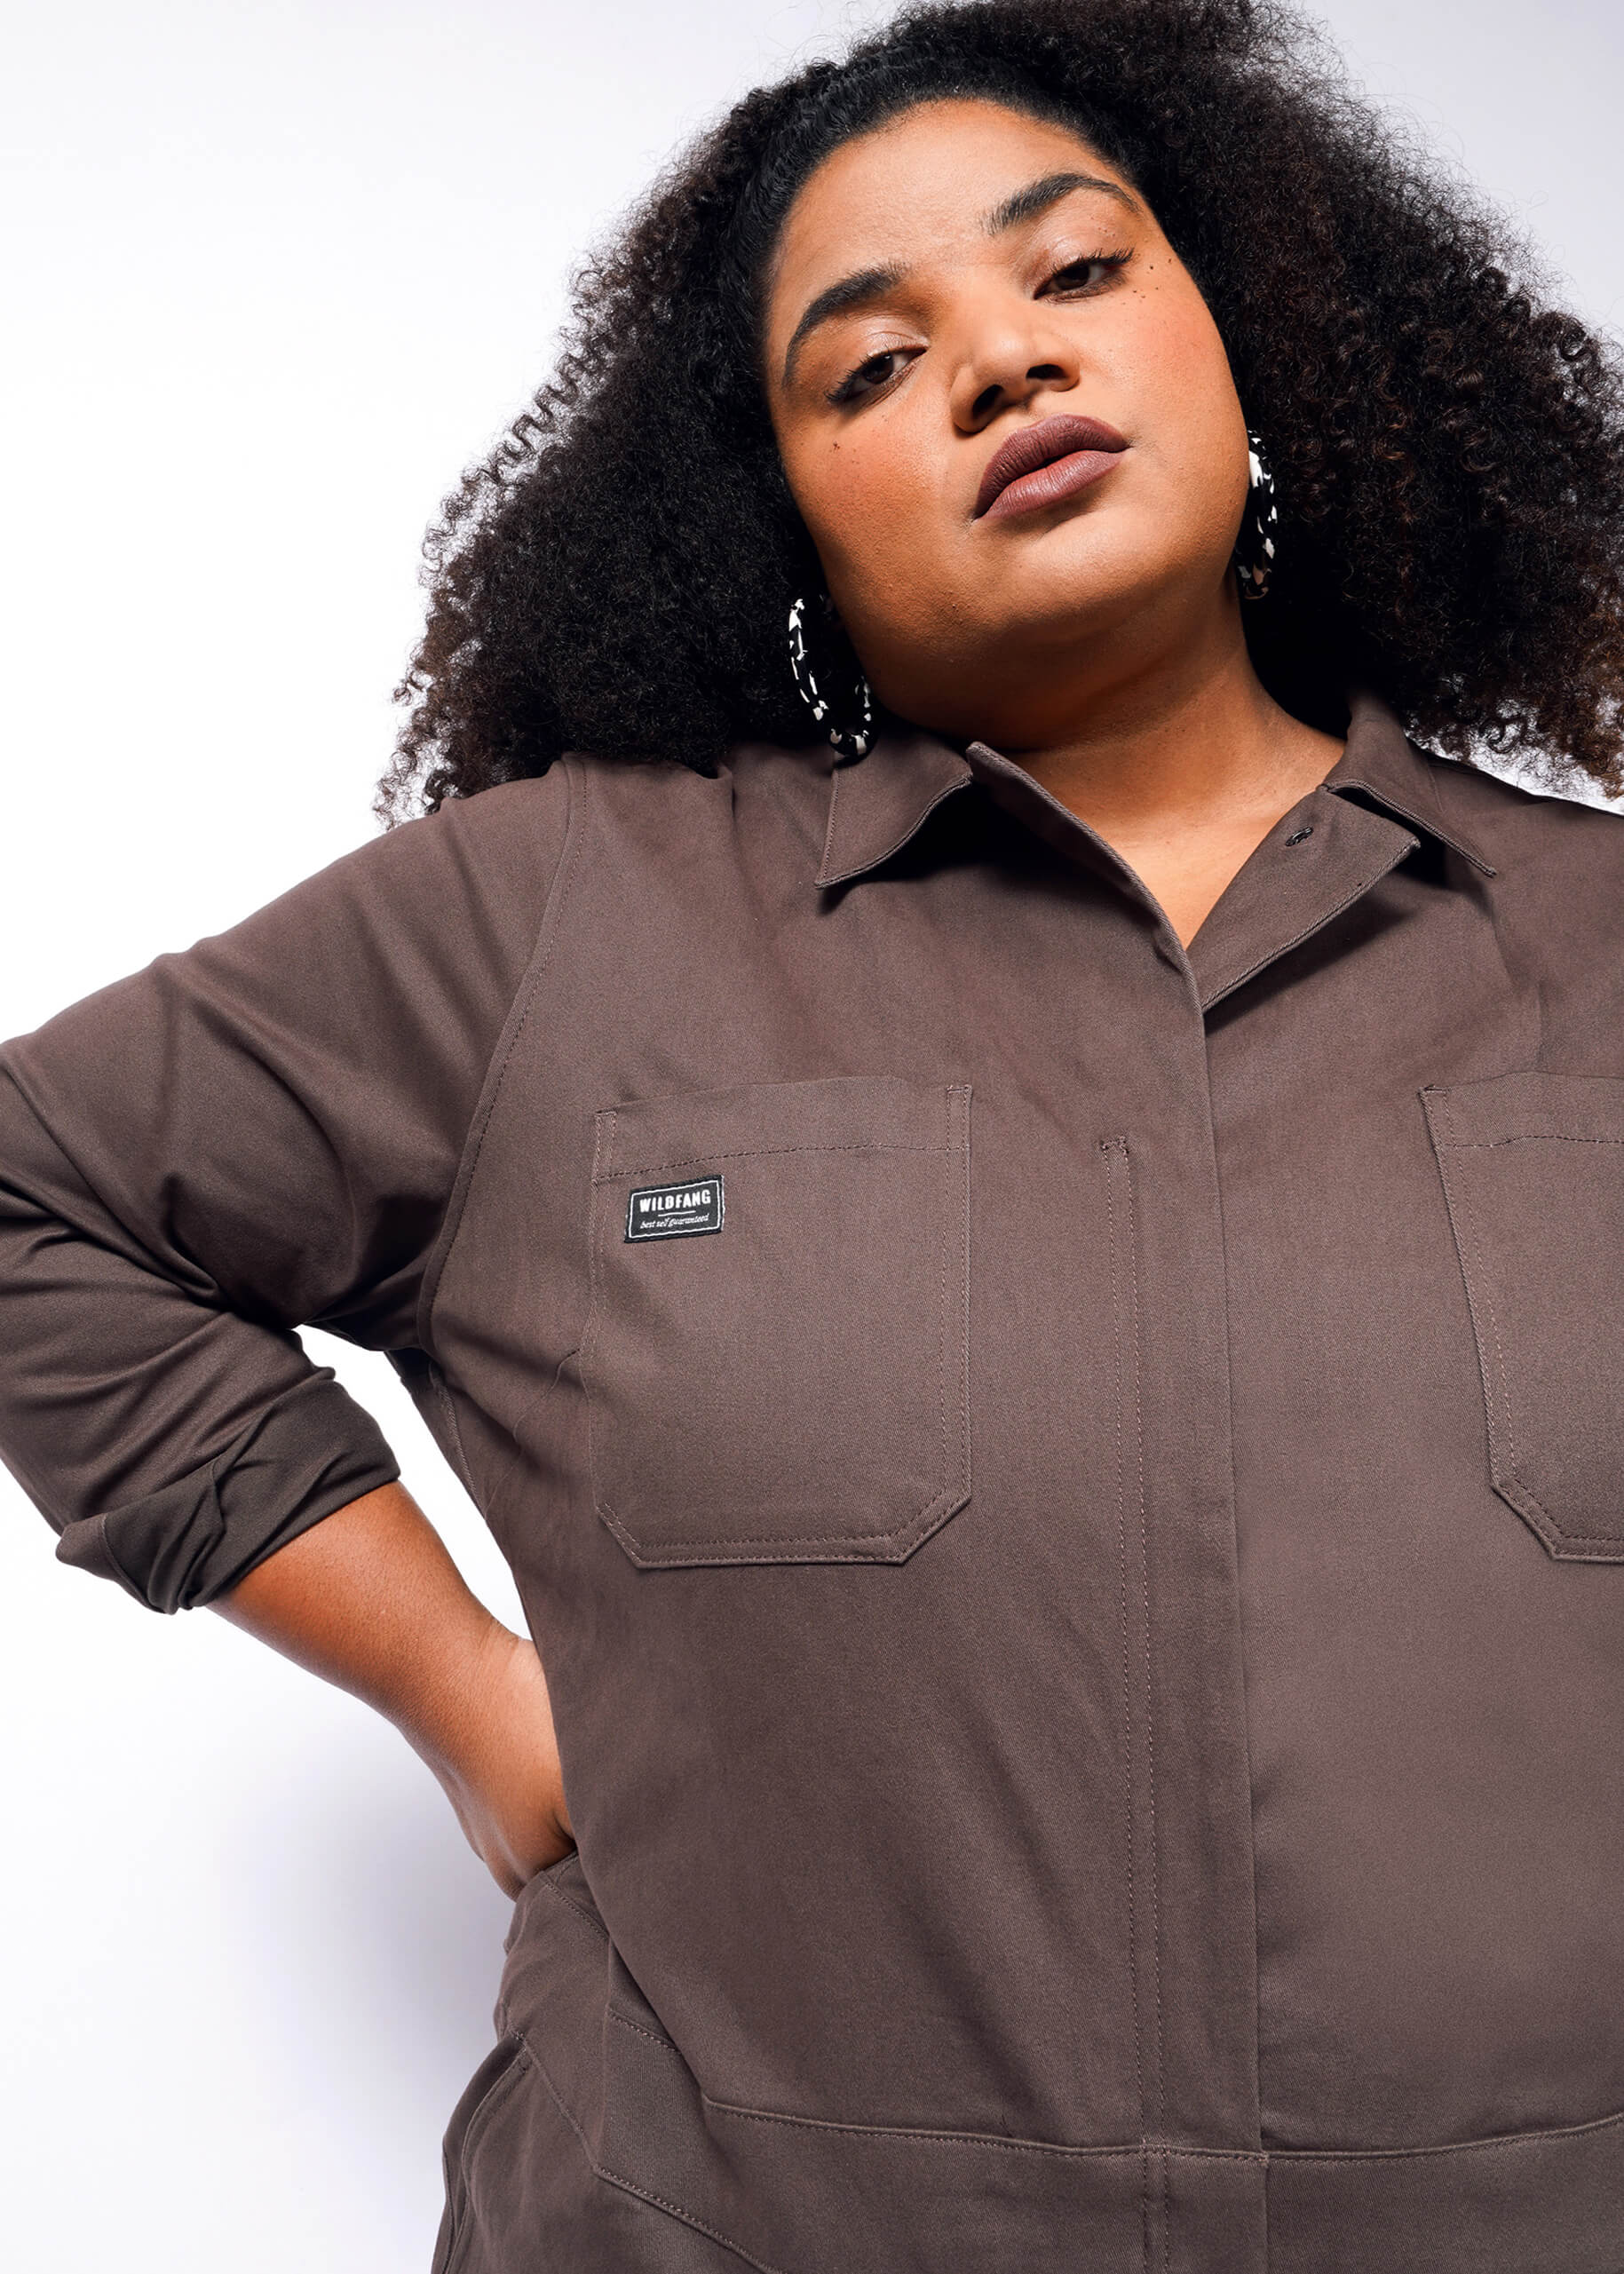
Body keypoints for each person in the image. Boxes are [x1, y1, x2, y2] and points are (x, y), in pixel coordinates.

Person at [4, 0, 1624, 2264]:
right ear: (770, 520)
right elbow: (30, 1192)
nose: (999, 364)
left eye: (1077, 276)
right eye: (869, 366)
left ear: (1261, 348)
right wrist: (463, 1690)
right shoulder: (564, 915)